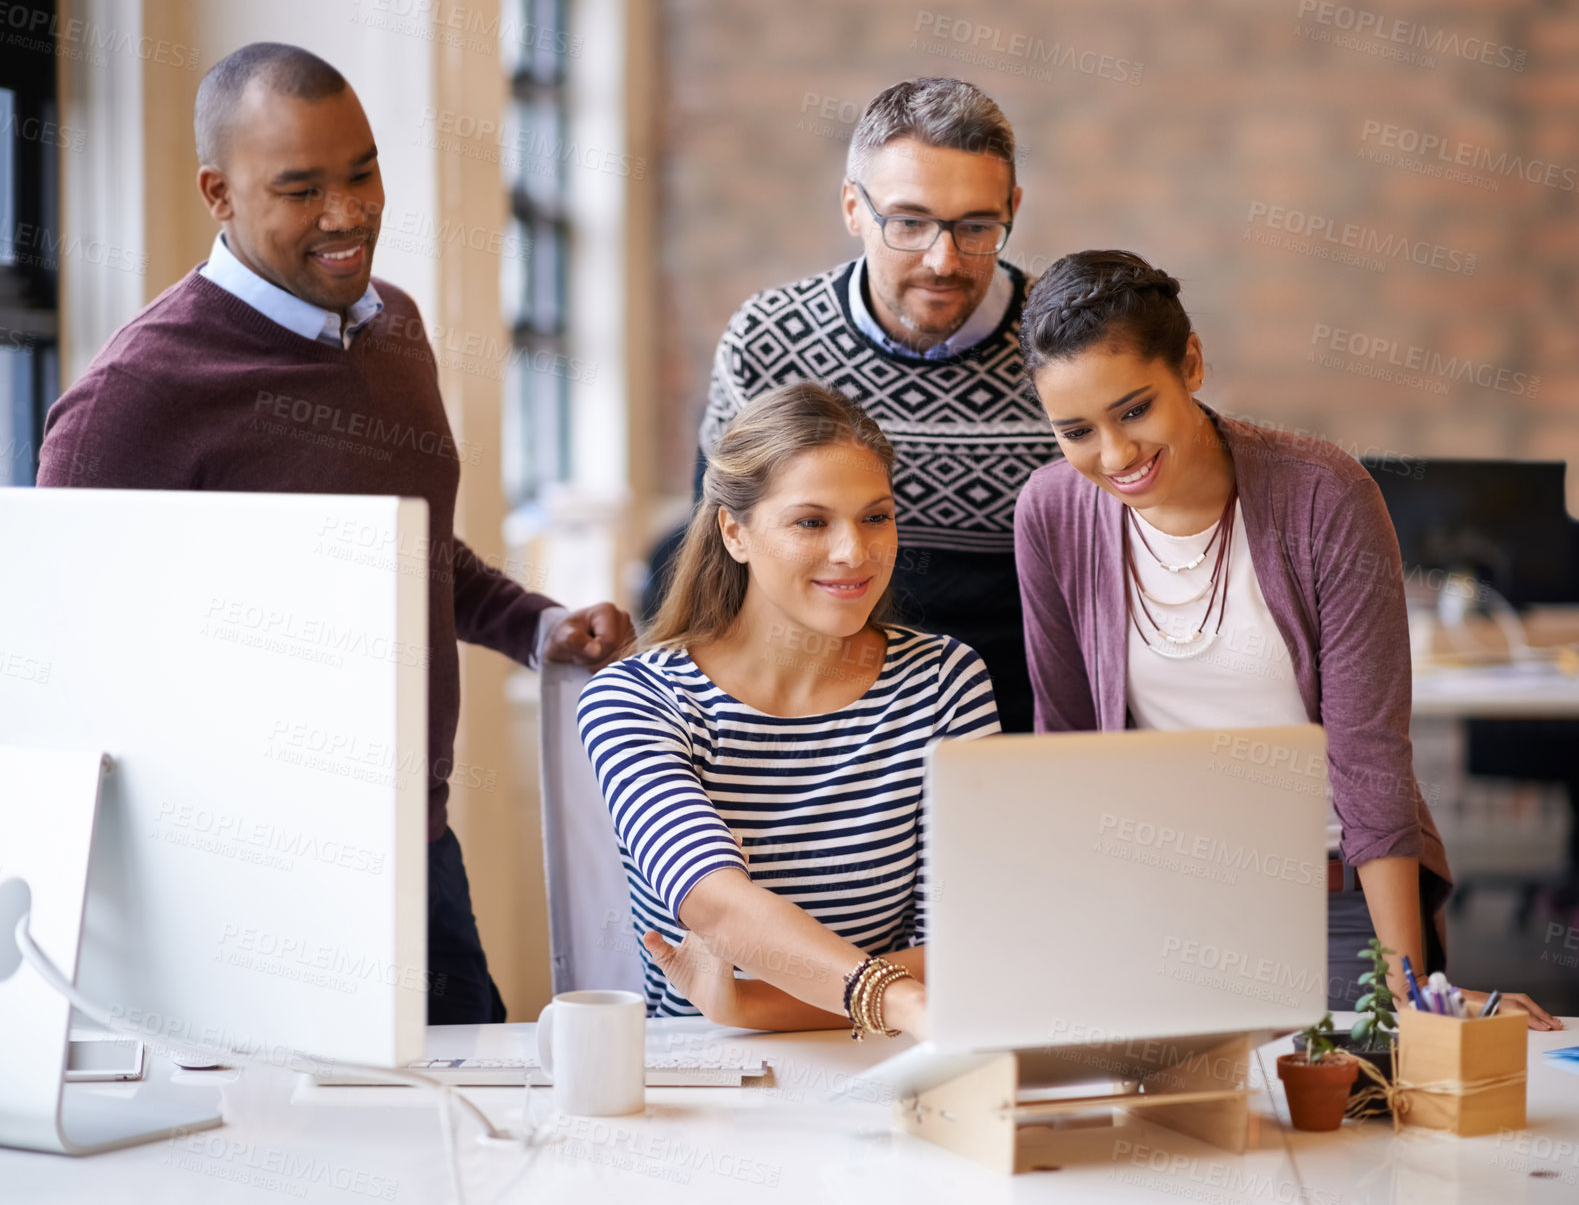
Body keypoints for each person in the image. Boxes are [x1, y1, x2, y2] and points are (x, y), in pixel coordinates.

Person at [35, 42, 634, 1024]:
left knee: (475, 1161)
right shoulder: (133, 399)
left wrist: (534, 624)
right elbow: (62, 673)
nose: (349, 212)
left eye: (362, 172)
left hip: (418, 851)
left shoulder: (392, 325)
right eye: (302, 188)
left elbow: (410, 550)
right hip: (242, 897)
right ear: (219, 194)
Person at [1012, 249, 1561, 1029]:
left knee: (1352, 1121)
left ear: (1191, 363)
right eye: (1075, 430)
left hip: (1328, 900)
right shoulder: (1050, 512)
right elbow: (1063, 747)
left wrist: (1409, 990)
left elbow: (1369, 753)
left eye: (1134, 410)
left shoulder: (1321, 494)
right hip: (1151, 905)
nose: (1113, 455)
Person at [578, 384, 1000, 1035]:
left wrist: (748, 1005)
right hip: (702, 1075)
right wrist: (904, 1002)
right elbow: (717, 906)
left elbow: (963, 950)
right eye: (811, 521)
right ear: (734, 531)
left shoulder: (944, 683)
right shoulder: (635, 700)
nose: (853, 553)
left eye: (875, 516)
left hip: (885, 1054)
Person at [688, 77, 1058, 734]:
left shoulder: (1065, 347)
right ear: (853, 208)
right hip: (817, 724)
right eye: (909, 223)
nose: (942, 261)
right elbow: (719, 567)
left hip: (1020, 722)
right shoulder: (769, 342)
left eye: (976, 226)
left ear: (1012, 210)